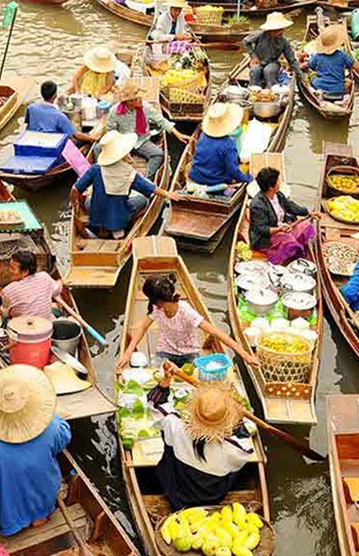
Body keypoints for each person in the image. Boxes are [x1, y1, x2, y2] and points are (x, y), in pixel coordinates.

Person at [0, 364, 71, 536]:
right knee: (40, 506)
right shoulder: (52, 426)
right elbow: (64, 437)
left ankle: (20, 523)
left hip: (12, 508)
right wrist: (52, 415)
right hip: (44, 495)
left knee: (11, 507)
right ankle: (40, 518)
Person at [146, 373, 254, 510]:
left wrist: (166, 379)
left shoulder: (175, 425)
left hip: (175, 493)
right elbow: (245, 444)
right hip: (213, 496)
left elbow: (155, 403)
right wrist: (238, 418)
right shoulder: (235, 448)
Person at [117, 275, 259, 370]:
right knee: (160, 378)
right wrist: (128, 353)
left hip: (190, 352)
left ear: (158, 301)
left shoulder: (186, 312)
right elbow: (142, 328)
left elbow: (216, 332)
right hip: (165, 351)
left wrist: (245, 355)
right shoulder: (157, 308)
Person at [71, 131, 177, 238]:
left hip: (96, 215)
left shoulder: (96, 168)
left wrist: (76, 205)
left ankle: (104, 228)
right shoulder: (128, 173)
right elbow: (149, 188)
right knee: (143, 200)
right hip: (118, 217)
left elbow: (75, 189)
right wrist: (167, 193)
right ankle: (118, 229)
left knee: (89, 201)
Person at [106, 81, 188, 179]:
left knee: (158, 154)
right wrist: (122, 152)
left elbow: (161, 120)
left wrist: (177, 134)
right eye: (137, 99)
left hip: (141, 141)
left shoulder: (145, 108)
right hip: (122, 141)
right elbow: (111, 131)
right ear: (129, 102)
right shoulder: (114, 111)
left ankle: (146, 178)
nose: (141, 100)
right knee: (98, 149)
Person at [249, 166, 320, 265]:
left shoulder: (278, 195)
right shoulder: (257, 205)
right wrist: (280, 229)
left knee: (306, 225)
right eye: (278, 181)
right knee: (289, 242)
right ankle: (281, 258)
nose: (280, 183)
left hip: (282, 227)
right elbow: (262, 229)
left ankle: (295, 251)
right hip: (265, 237)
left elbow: (290, 206)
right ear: (270, 187)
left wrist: (308, 212)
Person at [187, 103, 250, 188]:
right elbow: (233, 171)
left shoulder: (203, 136)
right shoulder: (228, 144)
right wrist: (248, 179)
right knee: (242, 170)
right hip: (215, 180)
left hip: (196, 176)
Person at [243, 13, 303, 89]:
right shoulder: (260, 35)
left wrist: (299, 74)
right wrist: (253, 56)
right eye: (276, 30)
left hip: (272, 62)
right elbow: (246, 42)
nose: (280, 32)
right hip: (259, 61)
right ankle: (253, 89)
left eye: (280, 29)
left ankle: (270, 89)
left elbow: (291, 60)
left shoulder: (284, 42)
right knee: (255, 71)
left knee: (269, 71)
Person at [0, 249, 62, 321]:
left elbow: (5, 313)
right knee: (54, 308)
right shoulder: (44, 276)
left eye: (13, 268)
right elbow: (58, 290)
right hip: (47, 326)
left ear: (25, 272)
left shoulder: (8, 290)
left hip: (24, 329)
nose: (9, 270)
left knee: (3, 314)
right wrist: (60, 282)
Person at [24, 80, 94, 143]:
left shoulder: (31, 108)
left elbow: (27, 125)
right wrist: (91, 138)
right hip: (52, 143)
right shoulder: (59, 116)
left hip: (34, 140)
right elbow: (75, 135)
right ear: (55, 95)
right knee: (81, 140)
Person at [306, 24, 355, 96]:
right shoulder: (342, 55)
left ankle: (318, 94)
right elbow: (351, 65)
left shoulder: (317, 56)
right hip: (338, 89)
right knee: (349, 82)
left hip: (319, 86)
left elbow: (311, 66)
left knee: (311, 76)